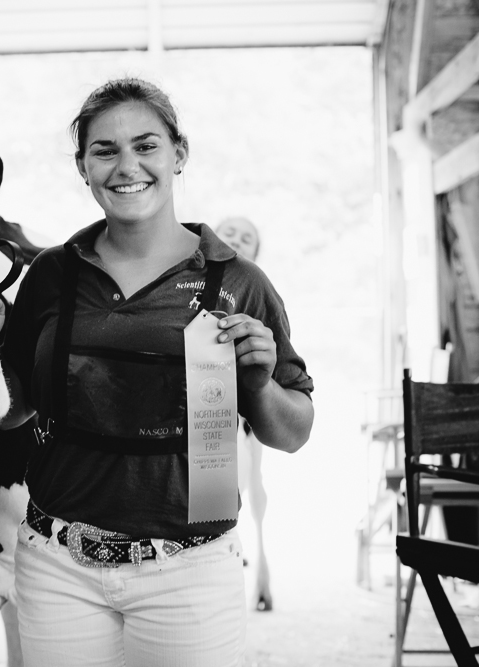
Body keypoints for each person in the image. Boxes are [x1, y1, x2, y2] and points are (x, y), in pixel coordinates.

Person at [0, 78, 314, 667]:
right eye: (104, 150)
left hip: (190, 569)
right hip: (58, 566)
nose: (126, 166)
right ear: (82, 166)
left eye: (145, 145)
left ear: (179, 154)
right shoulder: (53, 274)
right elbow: (17, 410)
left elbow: (295, 432)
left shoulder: (236, 282)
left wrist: (256, 383)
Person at [215, 216, 273, 613]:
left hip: (245, 415)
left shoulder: (257, 292)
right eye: (229, 232)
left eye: (246, 237)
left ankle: (261, 576)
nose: (236, 239)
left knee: (253, 494)